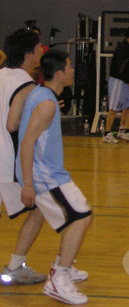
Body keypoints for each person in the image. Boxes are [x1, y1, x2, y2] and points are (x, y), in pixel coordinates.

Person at [16, 50, 91, 304]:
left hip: (46, 172)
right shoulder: (46, 103)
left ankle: (62, 266)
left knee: (68, 217)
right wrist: (28, 184)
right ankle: (58, 279)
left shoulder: (43, 95)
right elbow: (27, 143)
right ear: (59, 73)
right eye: (69, 66)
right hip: (44, 175)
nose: (72, 70)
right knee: (81, 216)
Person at [0, 29, 46, 285]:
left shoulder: (1, 75)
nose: (41, 50)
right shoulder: (25, 84)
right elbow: (13, 124)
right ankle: (16, 266)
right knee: (39, 209)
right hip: (6, 160)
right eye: (38, 46)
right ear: (28, 53)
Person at [104, 26, 129, 143]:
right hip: (118, 81)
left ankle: (125, 131)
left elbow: (127, 67)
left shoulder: (128, 48)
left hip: (125, 82)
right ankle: (107, 134)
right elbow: (120, 68)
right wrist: (128, 80)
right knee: (113, 109)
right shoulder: (122, 48)